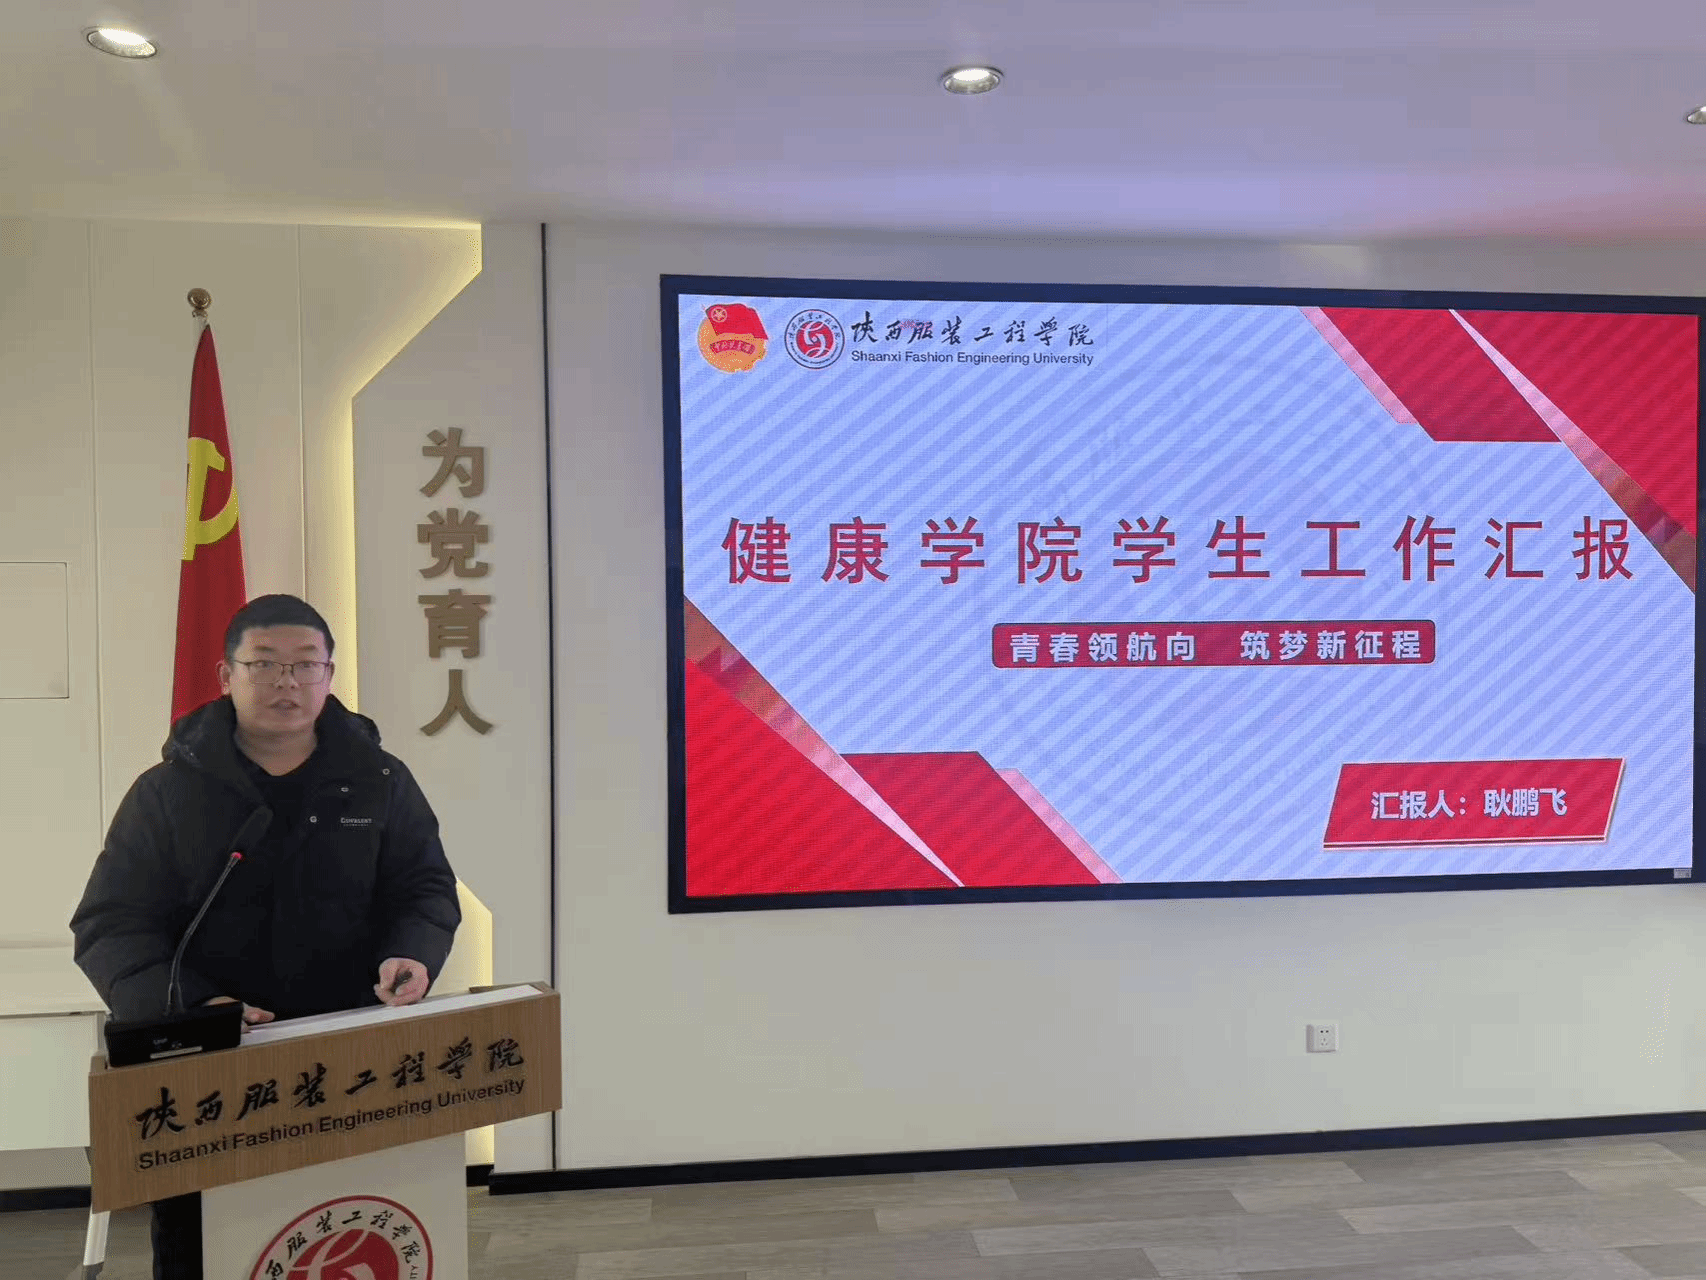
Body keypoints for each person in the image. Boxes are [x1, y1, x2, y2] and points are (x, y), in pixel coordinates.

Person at [70, 594, 462, 1280]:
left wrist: (413, 954)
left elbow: (424, 888)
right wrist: (195, 1006)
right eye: (265, 664)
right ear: (226, 674)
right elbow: (110, 923)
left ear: (329, 675)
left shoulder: (379, 781)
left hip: (350, 1062)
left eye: (306, 665)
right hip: (212, 1068)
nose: (288, 682)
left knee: (344, 1233)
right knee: (212, 1249)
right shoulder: (166, 793)